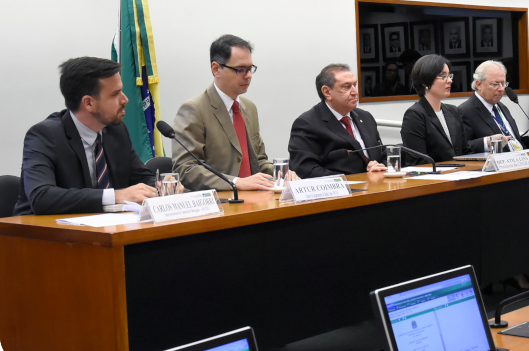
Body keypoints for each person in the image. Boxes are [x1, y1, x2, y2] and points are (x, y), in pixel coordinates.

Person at [13, 57, 157, 216]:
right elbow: (42, 197)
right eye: (115, 94)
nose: (125, 99)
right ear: (88, 103)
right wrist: (115, 196)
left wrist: (162, 187)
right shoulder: (45, 136)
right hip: (41, 235)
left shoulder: (116, 130)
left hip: (104, 230)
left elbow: (142, 177)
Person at [172, 34, 296, 192]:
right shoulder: (194, 109)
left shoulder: (249, 108)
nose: (249, 75)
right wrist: (236, 182)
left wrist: (280, 174)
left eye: (250, 69)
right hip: (218, 203)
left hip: (254, 201)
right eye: (240, 70)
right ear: (216, 69)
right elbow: (186, 169)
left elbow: (258, 160)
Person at [288, 64, 387, 178]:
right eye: (346, 87)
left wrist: (380, 167)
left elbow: (382, 154)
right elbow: (305, 170)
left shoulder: (365, 117)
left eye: (355, 85)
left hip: (377, 188)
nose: (355, 92)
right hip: (340, 193)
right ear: (327, 92)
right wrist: (355, 180)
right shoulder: (307, 124)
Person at [401, 55, 472, 165]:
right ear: (425, 81)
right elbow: (419, 161)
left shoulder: (453, 111)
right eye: (443, 76)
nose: (449, 81)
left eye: (449, 76)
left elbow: (466, 151)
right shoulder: (415, 115)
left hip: (460, 175)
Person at [459, 60, 529, 153]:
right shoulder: (465, 111)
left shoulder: (501, 107)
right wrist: (486, 142)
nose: (501, 89)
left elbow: (513, 143)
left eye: (503, 84)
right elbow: (462, 148)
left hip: (520, 161)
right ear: (479, 84)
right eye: (495, 84)